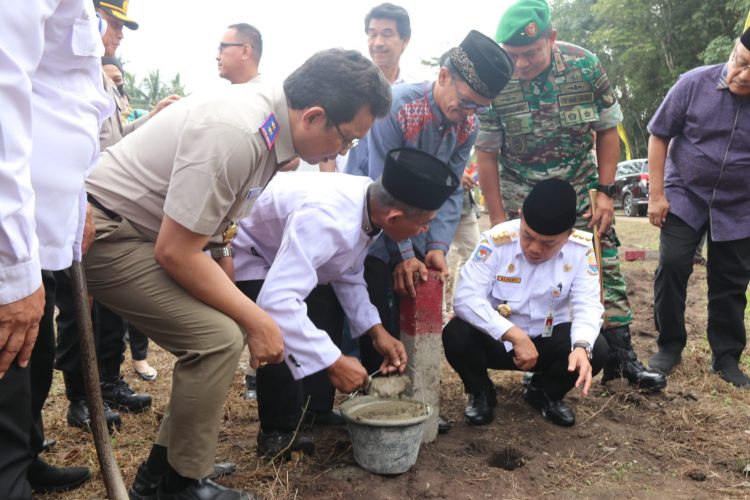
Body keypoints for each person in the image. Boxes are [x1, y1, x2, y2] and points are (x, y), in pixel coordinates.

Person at [83, 48, 391, 499]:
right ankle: (180, 483)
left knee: (221, 331)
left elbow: (217, 223)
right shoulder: (240, 132)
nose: (343, 152)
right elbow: (175, 251)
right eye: (347, 139)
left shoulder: (270, 128)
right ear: (314, 117)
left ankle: (166, 472)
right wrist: (258, 319)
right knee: (216, 338)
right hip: (108, 232)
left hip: (149, 232)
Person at [476, 0, 665, 391]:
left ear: (552, 38)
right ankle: (537, 360)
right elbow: (487, 153)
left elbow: (608, 130)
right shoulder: (497, 78)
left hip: (581, 192)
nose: (522, 64)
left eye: (530, 54)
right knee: (528, 275)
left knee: (603, 262)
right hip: (522, 198)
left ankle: (620, 355)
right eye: (514, 56)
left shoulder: (584, 66)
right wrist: (497, 218)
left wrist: (607, 193)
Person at [233, 148, 458, 456]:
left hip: (286, 247)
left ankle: (314, 410)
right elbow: (277, 301)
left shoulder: (369, 201)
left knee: (315, 313)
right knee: (276, 332)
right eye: (424, 223)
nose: (425, 231)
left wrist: (376, 331)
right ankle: (278, 432)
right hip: (249, 248)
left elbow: (345, 271)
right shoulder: (328, 220)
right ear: (395, 217)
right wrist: (333, 362)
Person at [346, 30, 513, 375]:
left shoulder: (468, 125)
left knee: (414, 309)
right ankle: (375, 394)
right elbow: (383, 189)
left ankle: (412, 393)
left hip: (415, 230)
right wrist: (404, 255)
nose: (469, 113)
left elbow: (451, 190)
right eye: (466, 102)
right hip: (373, 229)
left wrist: (436, 245)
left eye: (479, 108)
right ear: (444, 76)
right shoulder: (396, 108)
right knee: (377, 305)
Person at [0, 1, 113, 496]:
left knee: (35, 348)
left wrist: (75, 203)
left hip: (37, 224)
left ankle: (24, 456)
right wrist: (12, 270)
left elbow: (62, 97)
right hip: (11, 235)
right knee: (10, 352)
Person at [54, 13, 181, 433]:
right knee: (77, 308)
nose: (120, 34)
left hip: (105, 206)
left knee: (108, 312)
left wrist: (153, 118)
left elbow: (116, 142)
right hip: (79, 204)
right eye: (114, 22)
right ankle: (79, 397)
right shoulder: (72, 73)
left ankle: (107, 382)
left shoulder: (104, 79)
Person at [444, 179, 608, 427]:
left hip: (547, 339)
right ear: (521, 217)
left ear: (568, 235)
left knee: (597, 348)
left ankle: (544, 392)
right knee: (456, 334)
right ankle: (481, 393)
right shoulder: (495, 241)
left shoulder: (581, 249)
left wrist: (581, 347)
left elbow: (588, 305)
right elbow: (465, 298)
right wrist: (514, 336)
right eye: (527, 236)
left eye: (548, 243)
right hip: (498, 340)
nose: (534, 248)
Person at [646, 30, 750, 388]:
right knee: (673, 263)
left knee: (731, 281)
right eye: (742, 62)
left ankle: (725, 358)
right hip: (685, 193)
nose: (744, 75)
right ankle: (669, 346)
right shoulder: (693, 83)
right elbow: (659, 134)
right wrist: (656, 195)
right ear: (734, 49)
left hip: (739, 205)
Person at [319, 2, 413, 173]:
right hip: (344, 188)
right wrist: (329, 184)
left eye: (386, 34)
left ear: (405, 40)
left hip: (387, 191)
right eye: (372, 34)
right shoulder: (347, 82)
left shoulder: (411, 96)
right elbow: (327, 134)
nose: (377, 43)